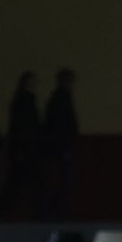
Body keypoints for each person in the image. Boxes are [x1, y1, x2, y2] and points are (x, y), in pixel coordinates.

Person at [42, 68, 79, 216]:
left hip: (62, 146)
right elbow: (62, 125)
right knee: (64, 183)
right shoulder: (61, 98)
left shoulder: (59, 97)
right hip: (63, 146)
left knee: (63, 182)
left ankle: (56, 211)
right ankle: (57, 212)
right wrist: (66, 147)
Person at [2, 72, 39, 215]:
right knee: (20, 182)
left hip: (24, 148)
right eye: (32, 82)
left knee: (17, 182)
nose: (34, 85)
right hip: (25, 148)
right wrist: (20, 149)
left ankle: (2, 212)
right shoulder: (24, 102)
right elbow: (20, 127)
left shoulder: (22, 101)